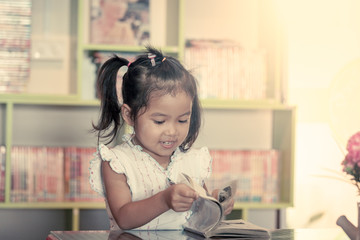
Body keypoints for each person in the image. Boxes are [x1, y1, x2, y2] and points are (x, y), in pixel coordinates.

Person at [89, 46, 234, 231]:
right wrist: (164, 199)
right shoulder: (117, 162)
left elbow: (198, 214)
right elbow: (124, 218)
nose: (172, 131)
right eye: (159, 121)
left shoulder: (192, 160)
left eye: (182, 120)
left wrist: (213, 203)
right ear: (129, 115)